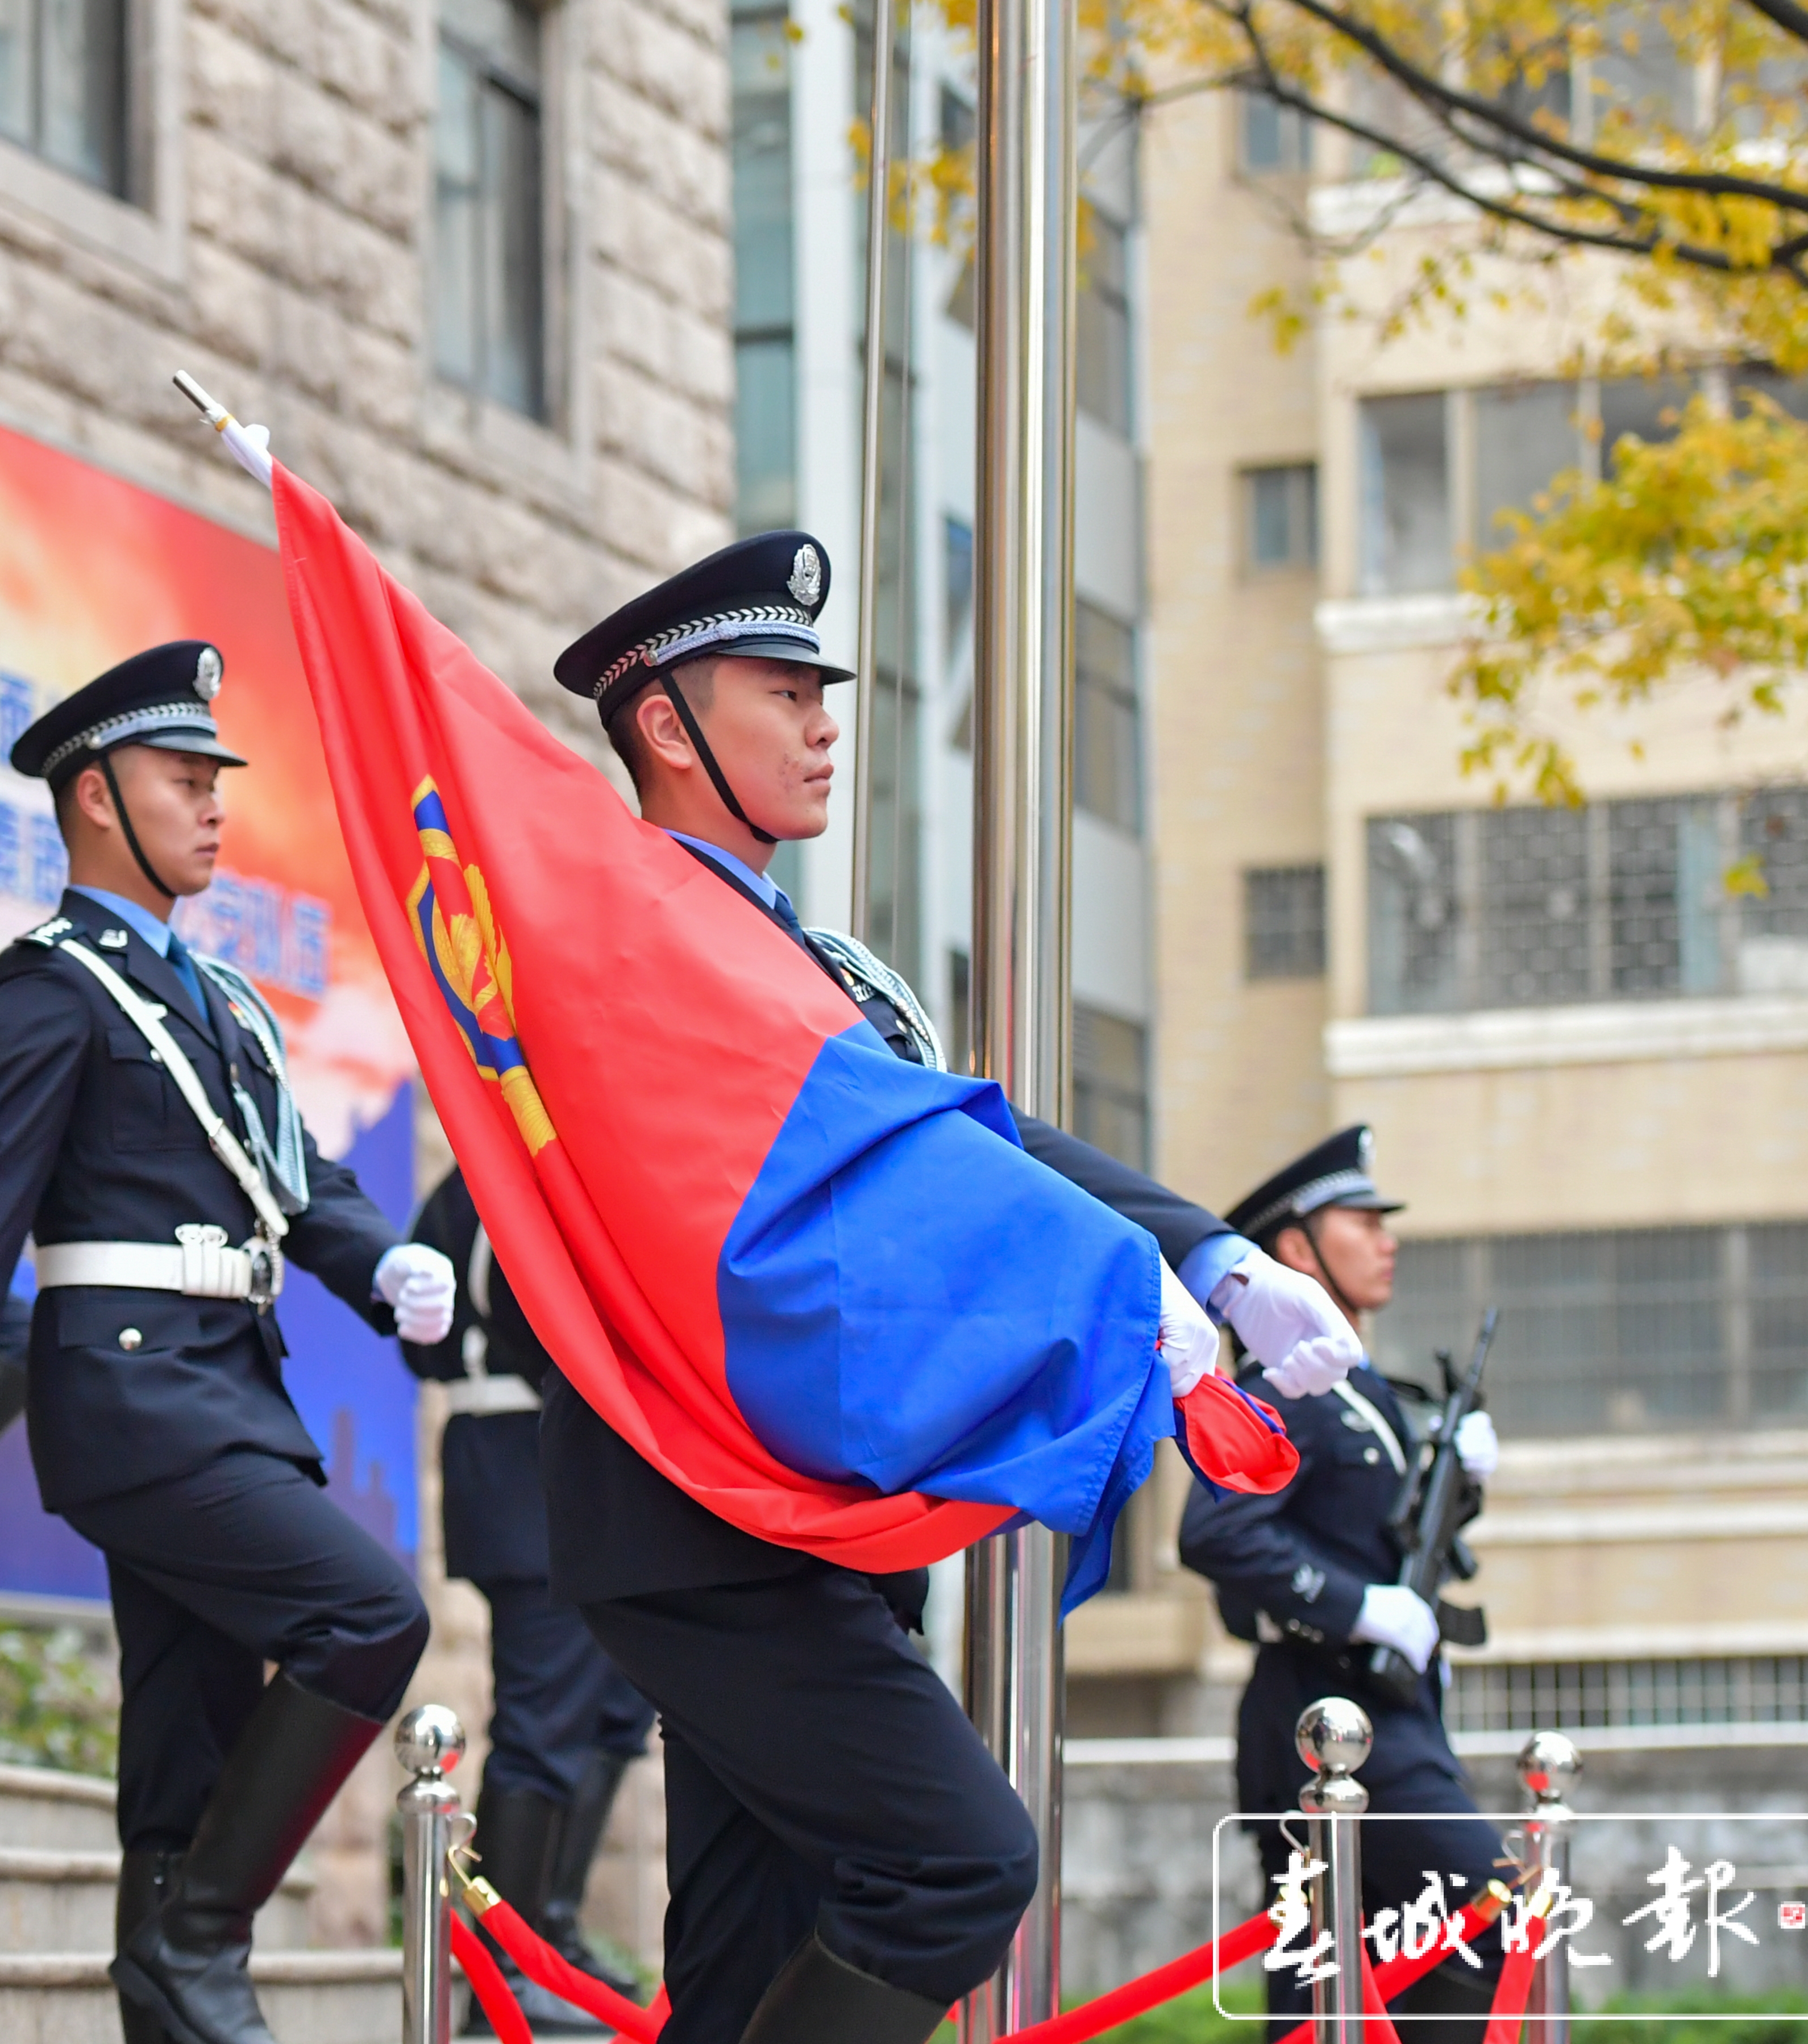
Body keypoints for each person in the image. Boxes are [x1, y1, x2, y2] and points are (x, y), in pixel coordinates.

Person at [536, 531, 1368, 2044]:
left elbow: (975, 1137)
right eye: (782, 690)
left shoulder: (810, 962)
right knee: (957, 1862)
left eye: (823, 692)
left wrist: (1207, 1248)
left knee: (742, 1956)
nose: (823, 722)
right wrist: (1130, 1285)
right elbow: (880, 1195)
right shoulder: (636, 941)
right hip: (700, 1522)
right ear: (662, 722)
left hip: (803, 1516)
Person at [0, 641, 460, 2044]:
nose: (215, 804)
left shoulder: (212, 1000)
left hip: (224, 1385)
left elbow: (291, 1177)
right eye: (183, 777)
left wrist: (379, 1255)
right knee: (369, 1612)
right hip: (134, 1395)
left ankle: (173, 1982)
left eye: (218, 778)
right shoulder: (50, 985)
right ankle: (200, 1938)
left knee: (186, 1744)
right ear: (93, 795)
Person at [1176, 1127, 1507, 2041]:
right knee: (1491, 1912)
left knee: (1338, 1976)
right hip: (1328, 1717)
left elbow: (1372, 1533)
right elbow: (1214, 1530)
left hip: (1373, 1713)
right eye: (1359, 1221)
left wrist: (1460, 1482)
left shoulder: (1363, 1390)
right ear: (1296, 1248)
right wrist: (1359, 1607)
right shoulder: (1292, 1385)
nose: (1384, 1237)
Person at [403, 1164, 655, 2035]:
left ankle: (547, 1932)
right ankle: (505, 1969)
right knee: (544, 1720)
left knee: (615, 1710)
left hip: (566, 1465)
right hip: (529, 1459)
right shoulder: (495, 1168)